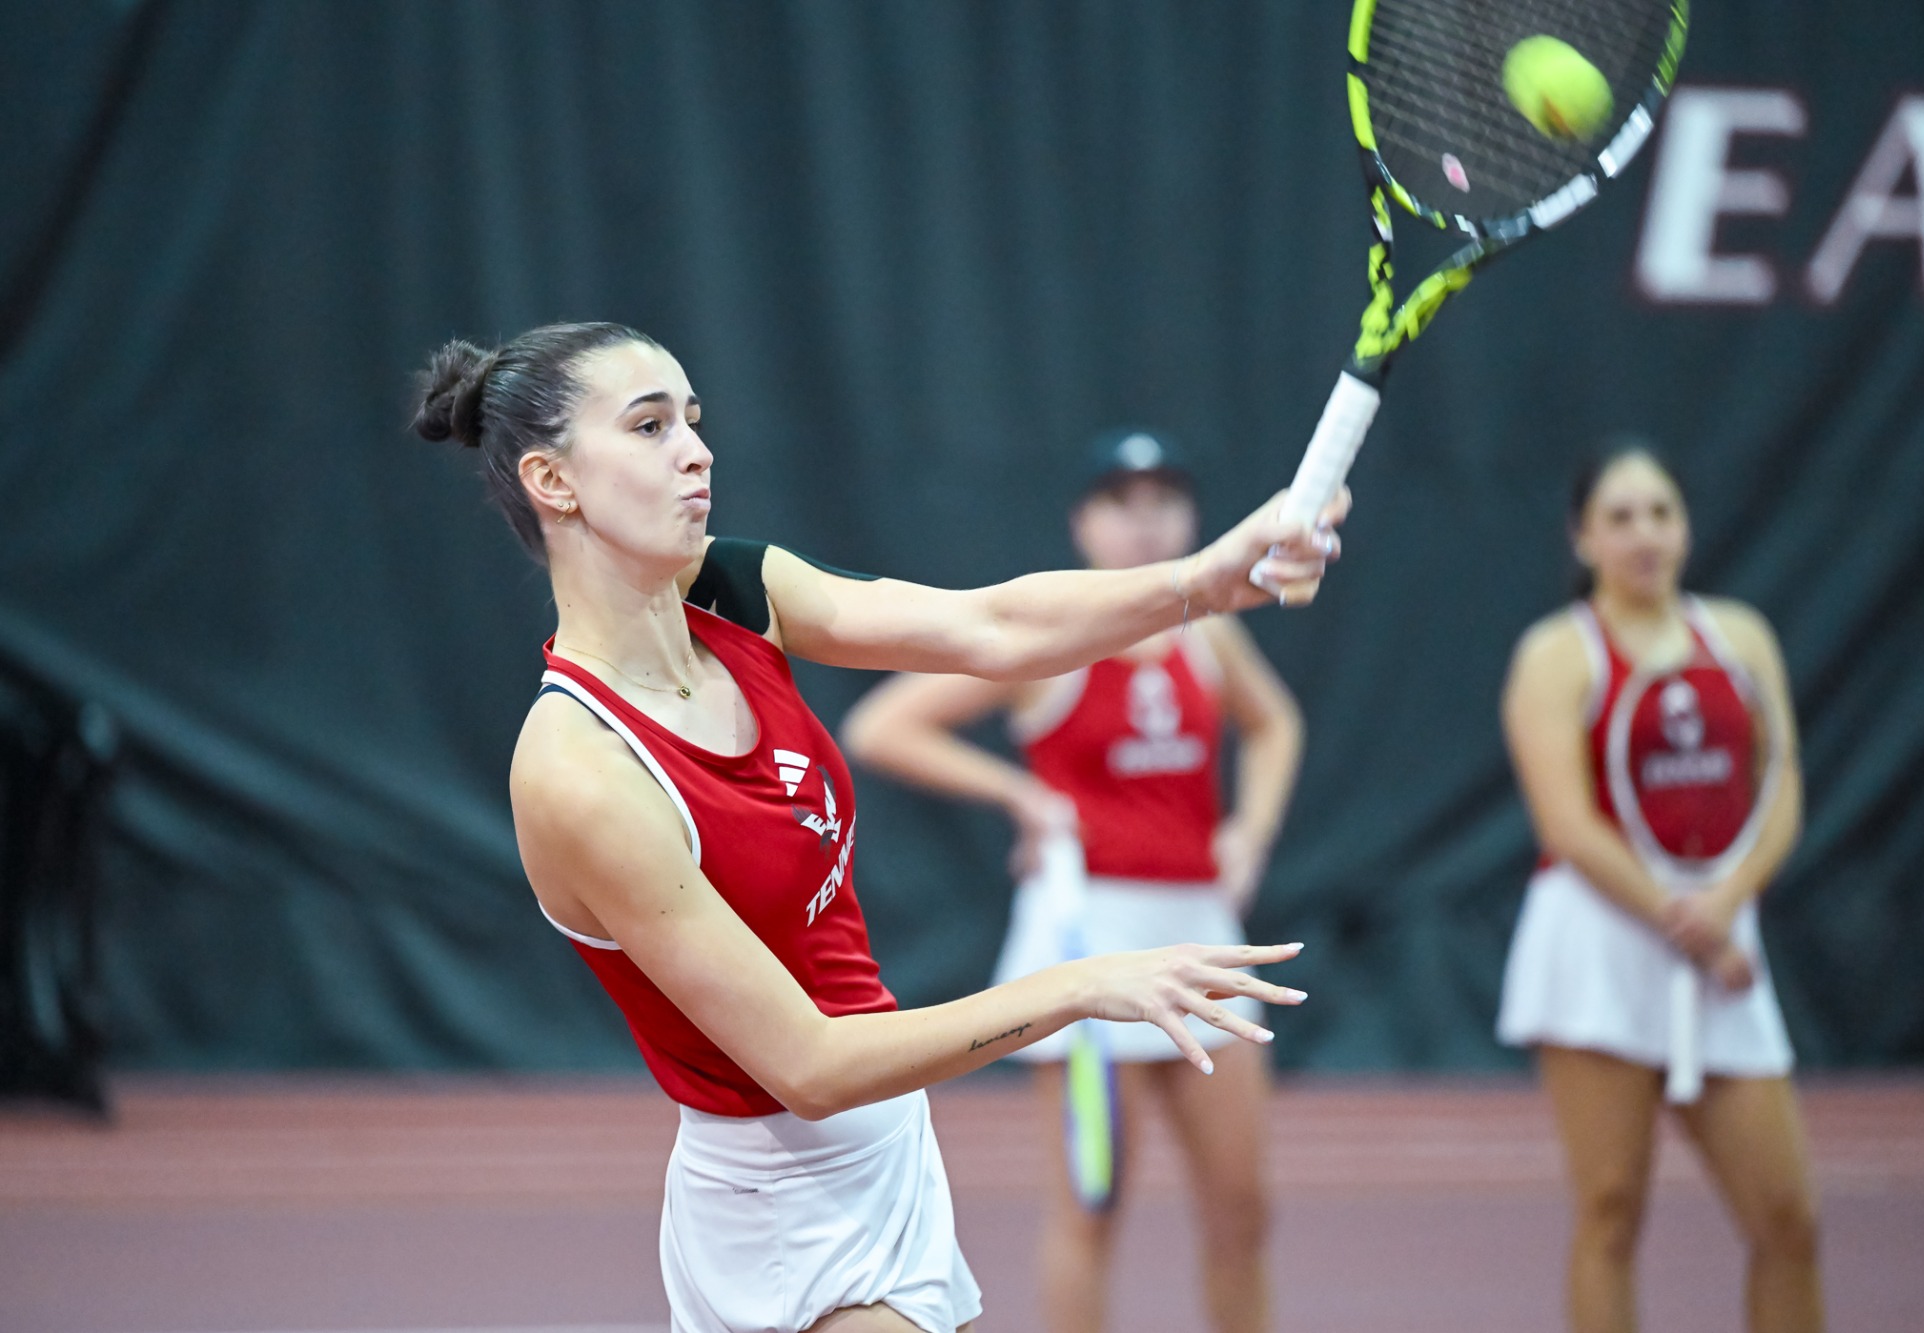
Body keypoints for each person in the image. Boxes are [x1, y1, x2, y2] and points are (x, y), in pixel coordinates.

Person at [409, 322, 1346, 1333]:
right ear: (552, 481)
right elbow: (809, 1065)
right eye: (648, 425)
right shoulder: (579, 768)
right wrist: (1081, 984)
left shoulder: (737, 593)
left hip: (885, 1148)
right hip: (779, 1204)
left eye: (692, 418)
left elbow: (986, 627)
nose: (695, 448)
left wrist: (1203, 580)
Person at [839, 429, 1303, 1333]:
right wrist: (1021, 792)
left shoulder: (1211, 633)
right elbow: (883, 724)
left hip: (1202, 933)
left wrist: (1253, 829)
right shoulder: (1054, 641)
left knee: (1244, 1208)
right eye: (1122, 508)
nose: (1146, 524)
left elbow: (1277, 723)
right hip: (1087, 941)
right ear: (1083, 524)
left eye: (1164, 503)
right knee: (1091, 1206)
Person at [1495, 443, 1824, 1333]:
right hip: (1600, 945)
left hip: (1721, 937)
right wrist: (1688, 922)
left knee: (1788, 1219)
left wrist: (1727, 907)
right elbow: (1566, 824)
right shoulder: (1556, 655)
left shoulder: (1741, 636)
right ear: (1584, 537)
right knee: (1611, 1209)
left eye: (1661, 513)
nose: (1645, 534)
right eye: (1621, 516)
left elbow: (1782, 781)